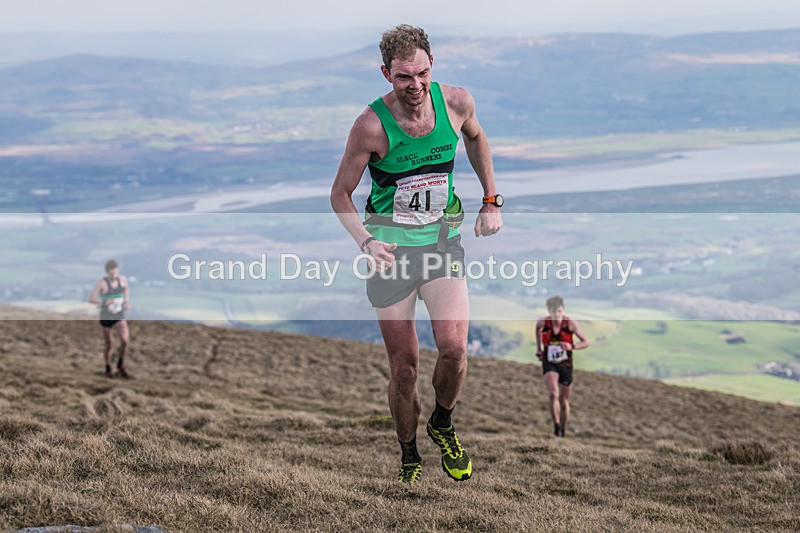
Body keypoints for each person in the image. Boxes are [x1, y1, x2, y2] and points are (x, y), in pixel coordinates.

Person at [330, 25, 503, 484]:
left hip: (440, 242)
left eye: (423, 73)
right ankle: (409, 454)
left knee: (454, 351)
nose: (416, 85)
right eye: (404, 77)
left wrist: (491, 200)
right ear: (386, 73)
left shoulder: (456, 102)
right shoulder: (371, 126)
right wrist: (365, 242)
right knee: (404, 369)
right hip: (390, 253)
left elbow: (476, 138)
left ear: (433, 65)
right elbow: (340, 195)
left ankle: (442, 423)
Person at [535, 296, 589, 437]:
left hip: (566, 364)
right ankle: (556, 426)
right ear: (549, 311)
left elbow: (585, 342)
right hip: (549, 361)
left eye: (559, 311)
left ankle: (563, 430)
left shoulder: (570, 323)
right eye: (554, 312)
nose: (557, 315)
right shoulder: (543, 322)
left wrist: (571, 346)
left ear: (563, 310)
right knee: (553, 394)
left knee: (564, 401)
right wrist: (539, 349)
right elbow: (537, 331)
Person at [88, 259, 131, 378]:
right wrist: (104, 301)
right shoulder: (102, 283)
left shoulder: (122, 280)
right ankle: (108, 367)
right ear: (107, 272)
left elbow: (126, 289)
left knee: (125, 341)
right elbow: (91, 299)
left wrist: (126, 302)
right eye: (111, 271)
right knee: (110, 344)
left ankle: (120, 364)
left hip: (119, 315)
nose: (114, 273)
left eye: (115, 270)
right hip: (106, 317)